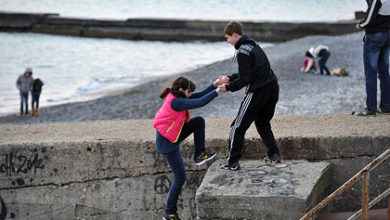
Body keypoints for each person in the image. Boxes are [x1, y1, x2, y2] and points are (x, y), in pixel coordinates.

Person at [153, 76, 221, 220]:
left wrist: (214, 84)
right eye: (188, 92)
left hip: (172, 136)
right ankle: (169, 213)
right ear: (182, 90)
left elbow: (199, 95)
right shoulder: (176, 101)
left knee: (198, 122)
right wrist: (218, 91)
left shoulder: (177, 95)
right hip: (167, 143)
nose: (190, 95)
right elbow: (200, 102)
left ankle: (199, 155)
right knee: (180, 177)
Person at [218, 21, 281, 171]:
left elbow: (246, 79)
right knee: (262, 123)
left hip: (258, 91)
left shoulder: (242, 52)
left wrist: (228, 87)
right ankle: (274, 155)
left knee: (237, 127)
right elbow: (250, 73)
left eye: (227, 38)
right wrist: (230, 77)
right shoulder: (253, 45)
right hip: (272, 88)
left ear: (235, 35)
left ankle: (232, 162)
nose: (227, 41)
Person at [356, 0, 390, 116]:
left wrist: (360, 24)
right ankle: (386, 106)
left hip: (375, 36)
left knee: (371, 73)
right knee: (384, 73)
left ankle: (371, 108)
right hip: (387, 35)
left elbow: (369, 19)